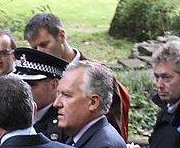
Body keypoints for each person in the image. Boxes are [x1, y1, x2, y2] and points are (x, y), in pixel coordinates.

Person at [25, 12, 131, 141]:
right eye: (34, 48)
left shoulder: (98, 75)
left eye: (44, 45)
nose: (39, 53)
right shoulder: (38, 75)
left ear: (61, 36)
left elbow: (113, 130)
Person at [11, 47, 66, 142]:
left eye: (30, 85)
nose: (22, 91)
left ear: (54, 85)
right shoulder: (12, 113)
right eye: (19, 84)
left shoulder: (64, 120)